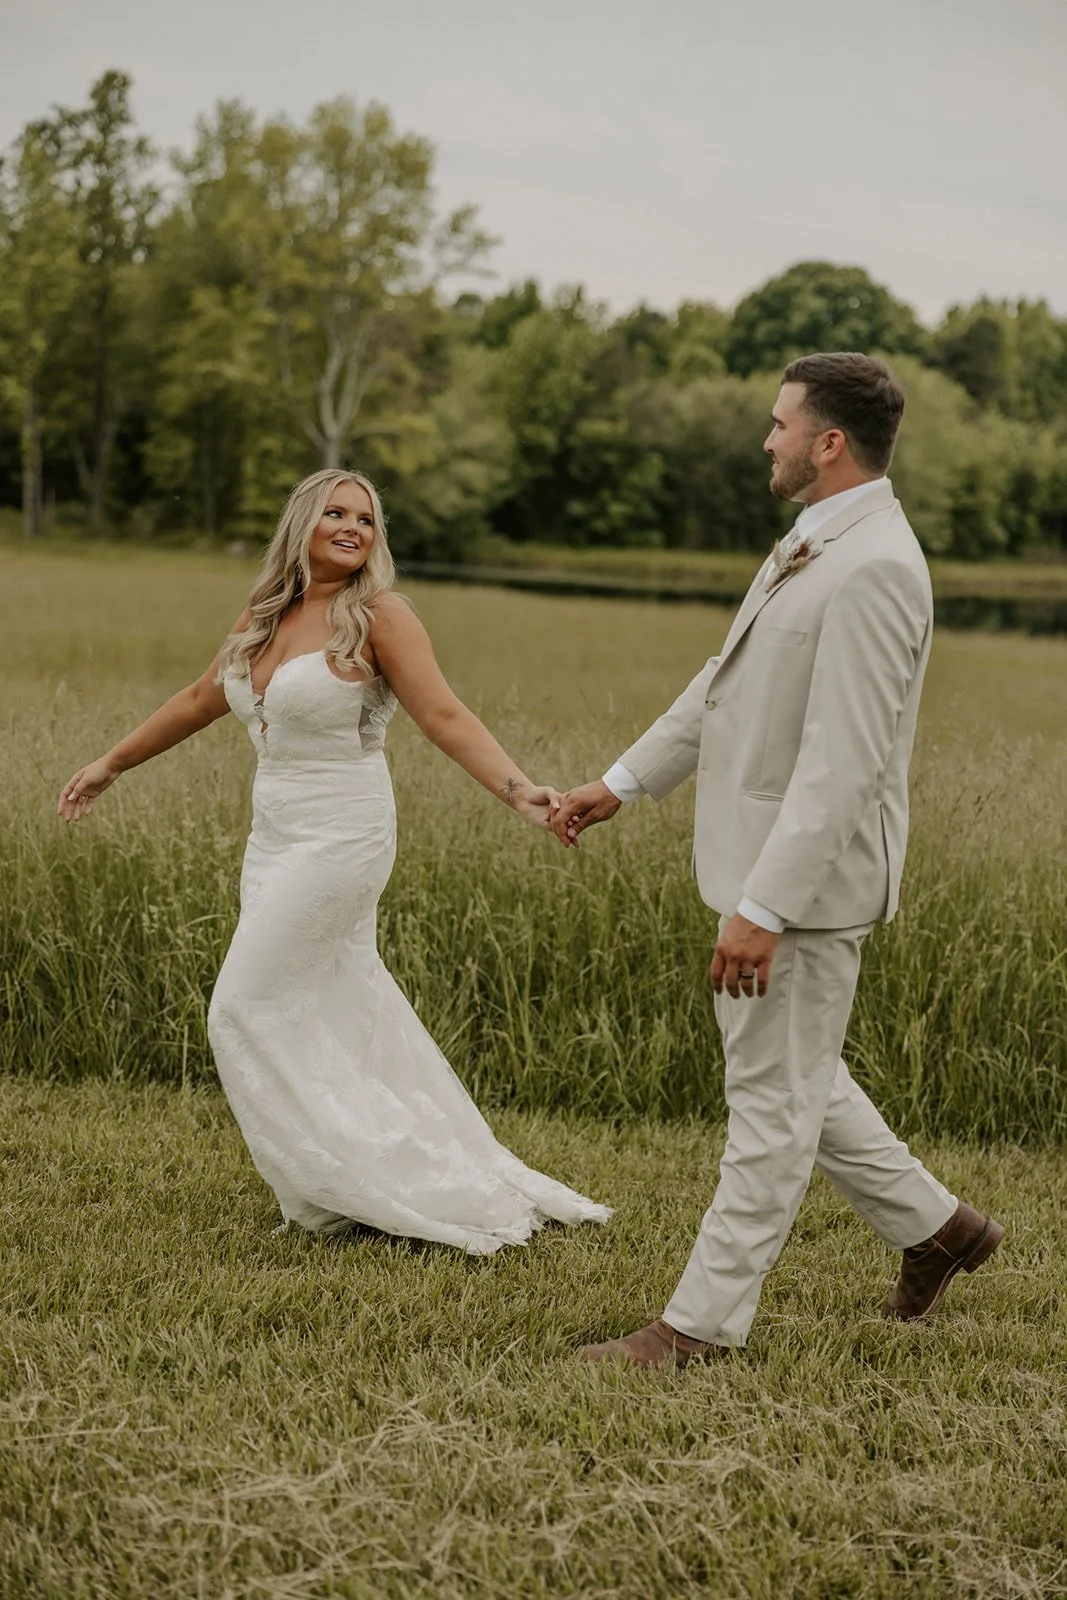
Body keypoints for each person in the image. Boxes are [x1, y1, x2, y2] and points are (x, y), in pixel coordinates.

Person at [553, 352, 1003, 1365]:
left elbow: (843, 767)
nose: (766, 439)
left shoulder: (876, 566)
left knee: (769, 1106)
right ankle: (940, 1230)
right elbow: (725, 681)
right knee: (794, 1076)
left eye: (777, 423)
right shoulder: (811, 540)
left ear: (826, 442)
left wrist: (763, 905)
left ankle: (695, 1330)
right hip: (763, 874)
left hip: (797, 890)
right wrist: (620, 784)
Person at [58, 468, 610, 1253]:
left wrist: (519, 792)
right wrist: (110, 764)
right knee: (333, 1004)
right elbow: (196, 699)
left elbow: (444, 714)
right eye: (337, 513)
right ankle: (350, 1180)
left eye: (368, 519)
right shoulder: (265, 614)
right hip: (274, 837)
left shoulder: (378, 615)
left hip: (343, 836)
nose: (354, 527)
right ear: (304, 523)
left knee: (239, 1006)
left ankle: (349, 1176)